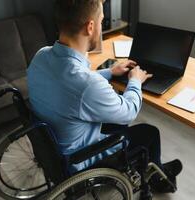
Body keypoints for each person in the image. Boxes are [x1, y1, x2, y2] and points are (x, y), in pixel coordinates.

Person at [27, 0, 182, 193]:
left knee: (117, 123)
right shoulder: (86, 84)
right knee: (149, 132)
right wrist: (135, 80)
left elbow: (72, 84)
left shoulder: (41, 56)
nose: (101, 25)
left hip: (54, 149)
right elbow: (128, 112)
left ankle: (149, 168)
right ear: (90, 26)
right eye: (101, 20)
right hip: (79, 160)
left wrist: (109, 72)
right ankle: (158, 179)